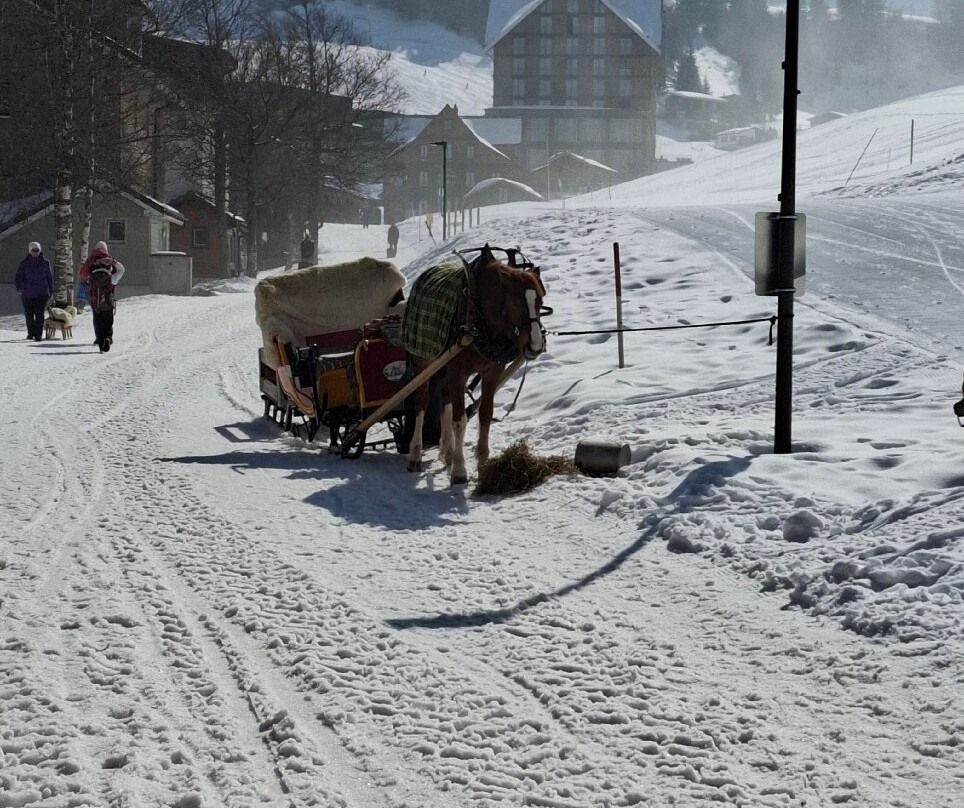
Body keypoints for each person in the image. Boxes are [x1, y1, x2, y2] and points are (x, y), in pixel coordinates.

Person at [84, 241, 125, 352]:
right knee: (108, 319)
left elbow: (82, 274)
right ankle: (108, 337)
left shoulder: (91, 260)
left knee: (97, 319)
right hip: (107, 297)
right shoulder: (109, 262)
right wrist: (113, 263)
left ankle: (100, 340)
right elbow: (121, 269)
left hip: (94, 297)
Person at [15, 241, 53, 341]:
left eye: (37, 250)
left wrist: (51, 291)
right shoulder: (24, 263)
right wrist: (19, 288)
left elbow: (49, 278)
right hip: (27, 293)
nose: (35, 252)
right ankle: (30, 333)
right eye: (33, 250)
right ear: (29, 251)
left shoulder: (45, 263)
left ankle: (38, 335)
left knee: (39, 314)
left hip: (41, 293)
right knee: (29, 315)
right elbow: (18, 277)